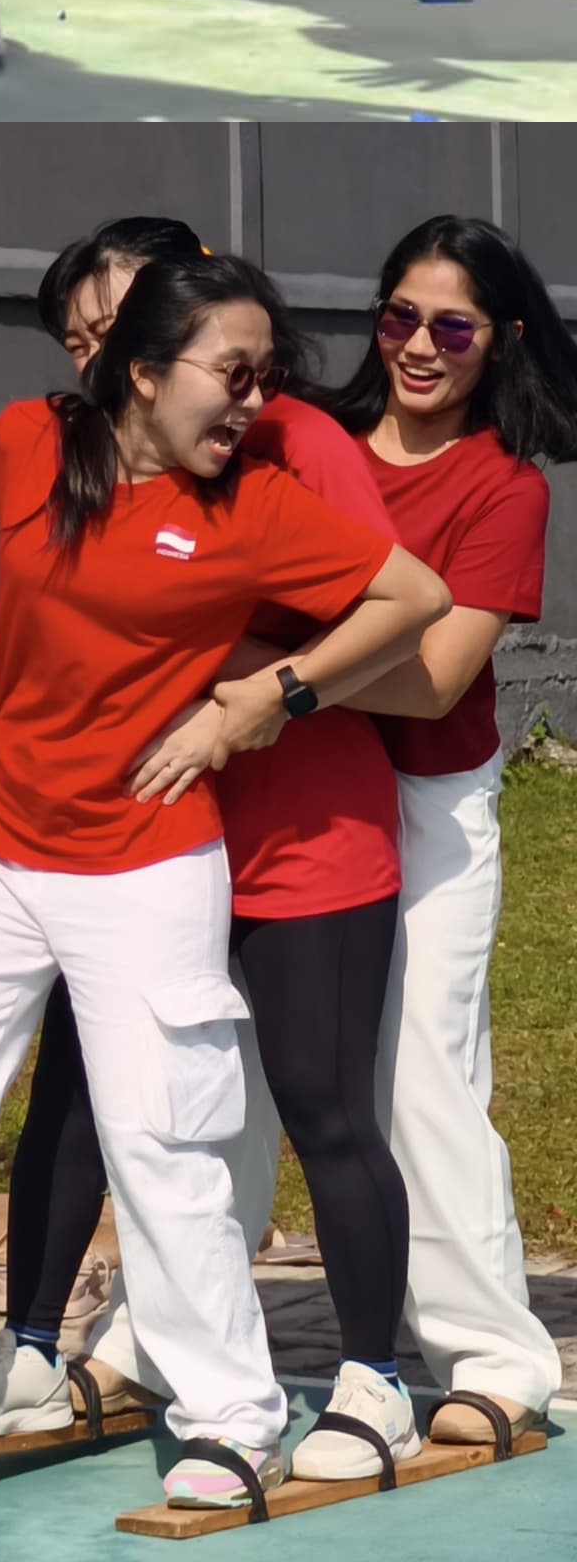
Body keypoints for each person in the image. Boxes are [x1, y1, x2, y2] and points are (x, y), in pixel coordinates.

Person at [0, 252, 449, 1510]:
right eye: (231, 373)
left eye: (267, 376)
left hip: (145, 857)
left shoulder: (253, 508)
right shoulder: (29, 443)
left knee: (164, 1139)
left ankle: (233, 1417)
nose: (254, 402)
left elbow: (411, 595)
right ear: (140, 373)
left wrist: (267, 697)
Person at [0, 217, 431, 1485]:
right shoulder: (78, 461)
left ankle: (374, 1377)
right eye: (78, 341)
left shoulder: (290, 445)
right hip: (138, 843)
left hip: (296, 840)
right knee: (81, 1092)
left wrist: (251, 692)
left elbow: (397, 625)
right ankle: (28, 1350)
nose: (94, 357)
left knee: (324, 1110)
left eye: (112, 328)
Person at [317, 216, 574, 1444]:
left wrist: (278, 678)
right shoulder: (306, 445)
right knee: (242, 1067)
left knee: (423, 1074)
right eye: (399, 316)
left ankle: (493, 1360)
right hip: (288, 796)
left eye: (453, 326)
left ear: (501, 340)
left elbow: (431, 680)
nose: (420, 346)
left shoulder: (503, 486)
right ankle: (162, 1336)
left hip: (429, 806)